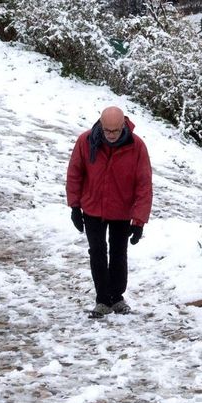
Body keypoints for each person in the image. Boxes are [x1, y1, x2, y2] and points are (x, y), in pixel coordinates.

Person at [66, 105, 152, 317]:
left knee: (118, 254)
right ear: (101, 125)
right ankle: (102, 299)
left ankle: (117, 297)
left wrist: (139, 221)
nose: (111, 135)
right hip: (92, 207)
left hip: (122, 210)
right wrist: (75, 206)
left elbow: (144, 184)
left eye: (115, 130)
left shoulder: (137, 146)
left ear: (123, 125)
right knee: (97, 252)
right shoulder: (86, 142)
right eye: (107, 131)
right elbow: (75, 173)